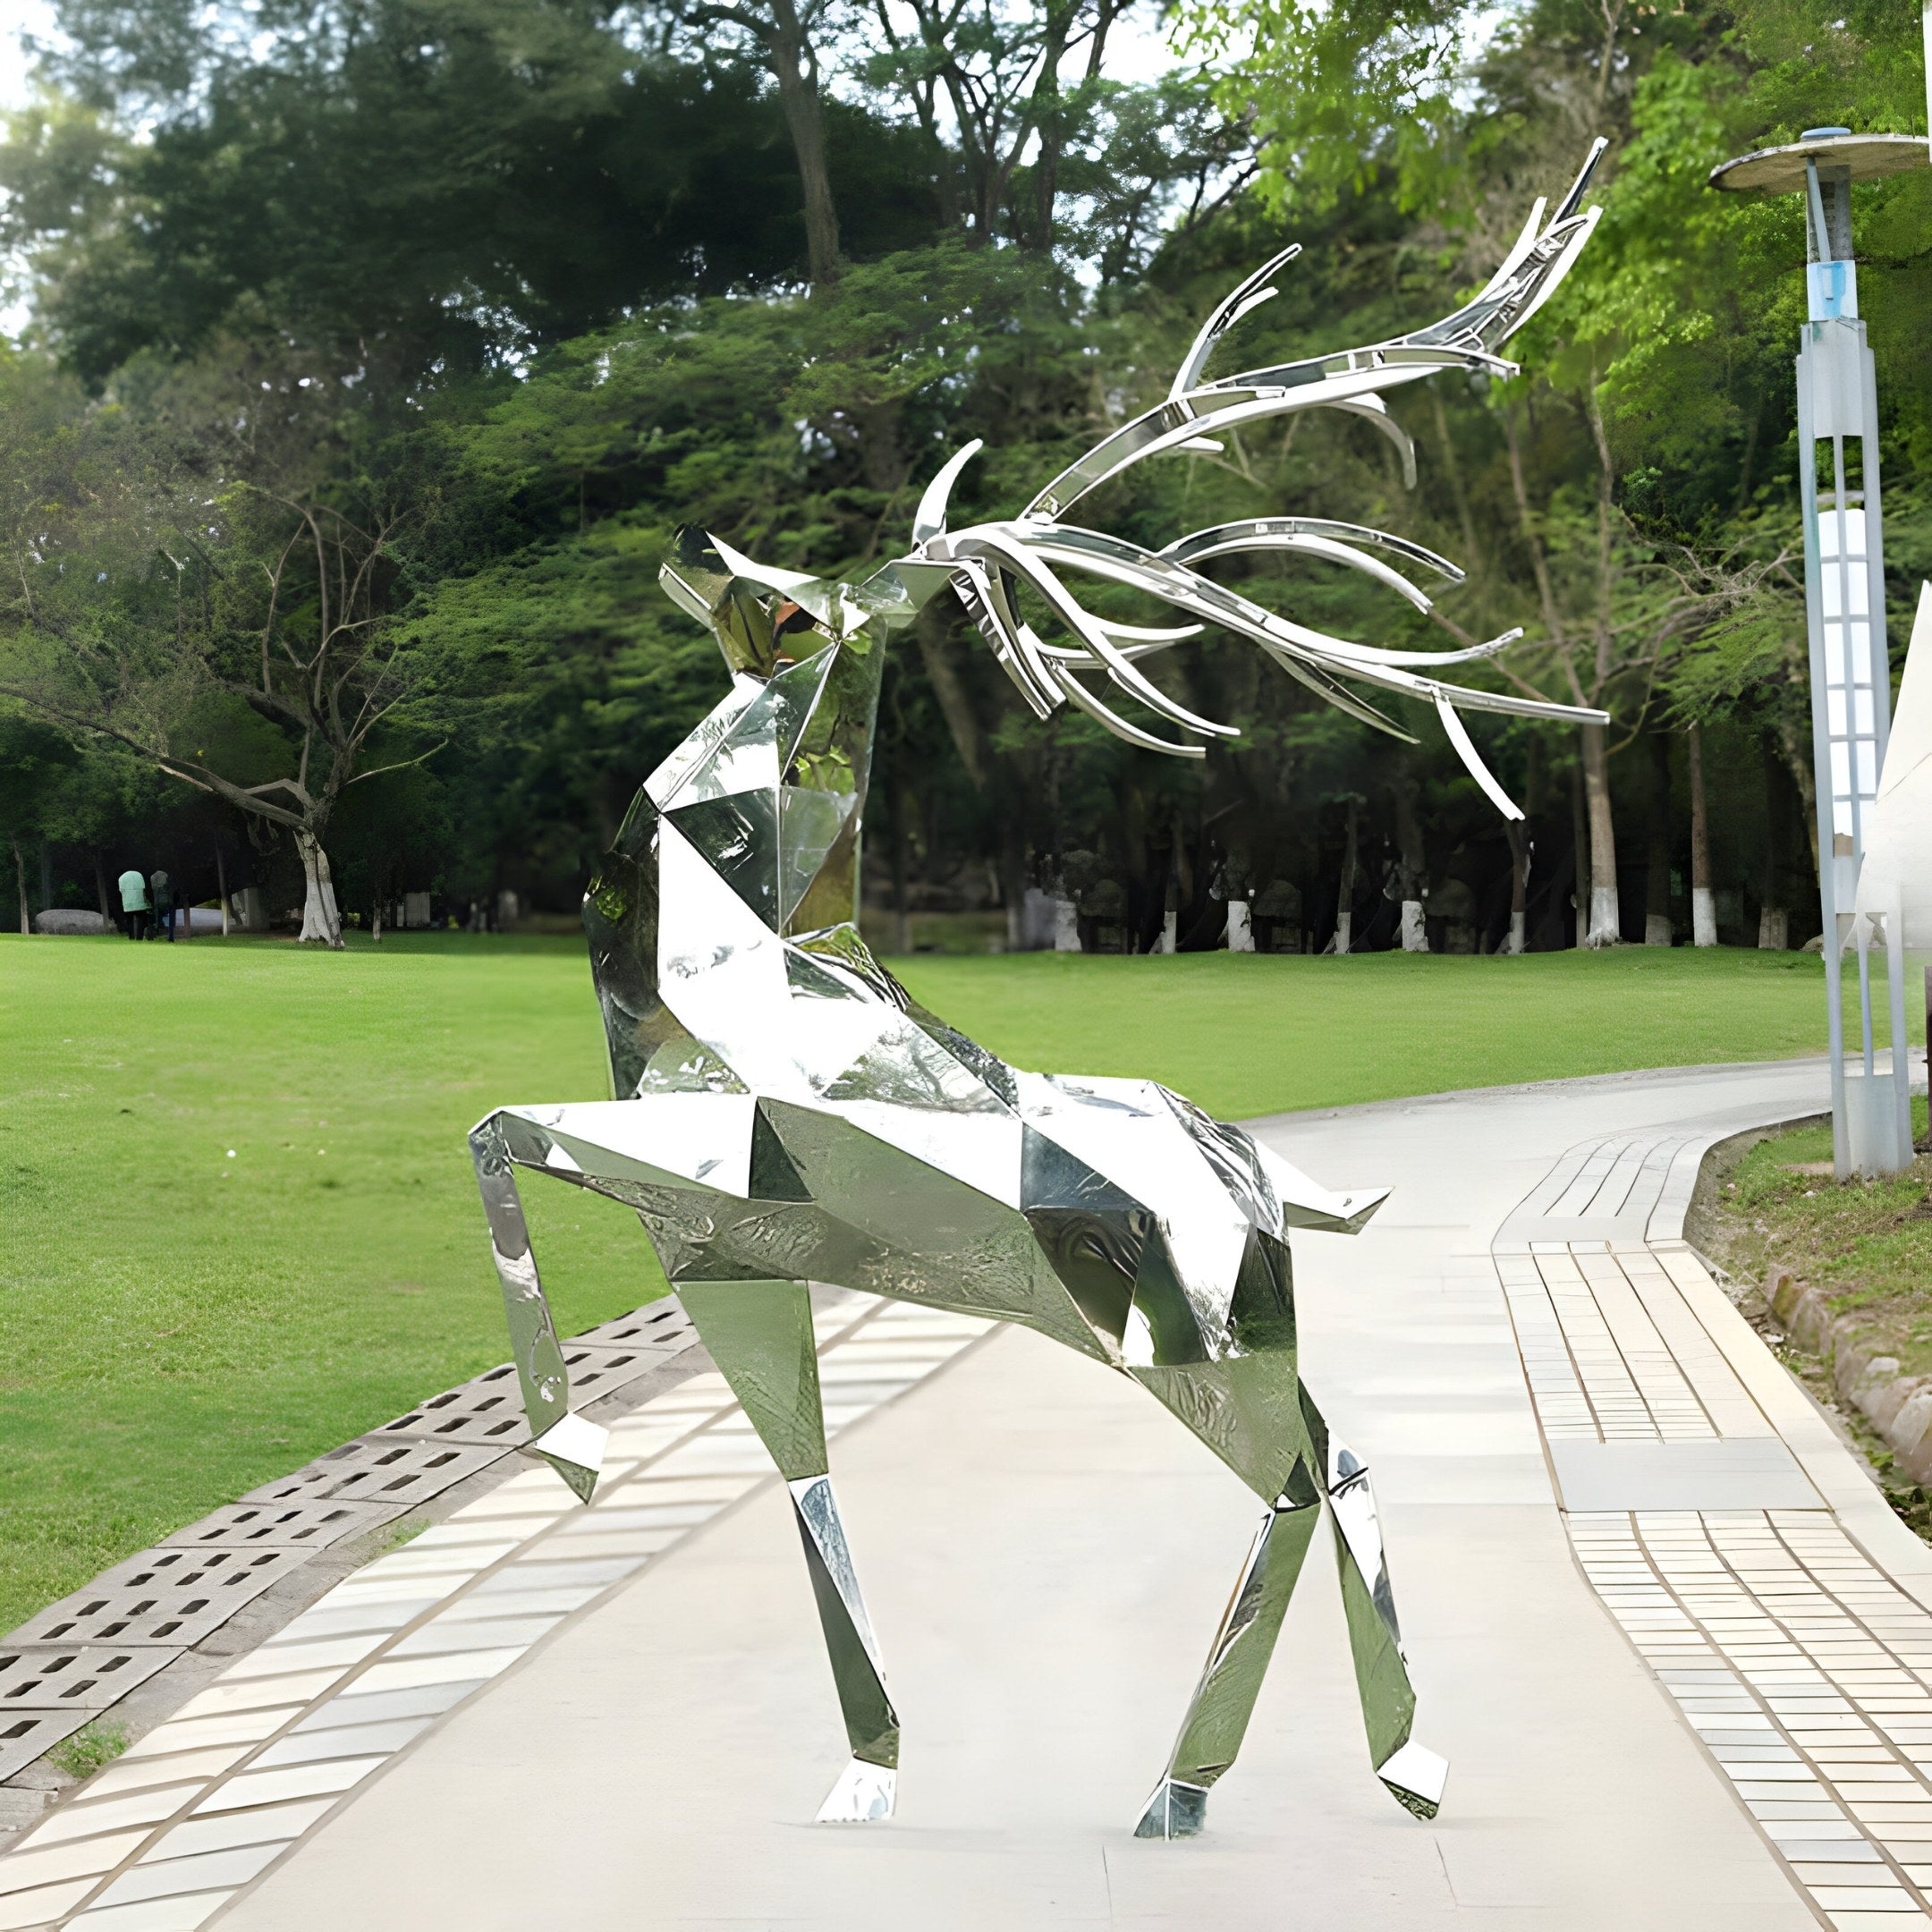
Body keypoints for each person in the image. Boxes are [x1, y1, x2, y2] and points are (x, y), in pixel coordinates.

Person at [116, 866, 148, 941]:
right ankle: (139, 937)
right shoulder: (139, 875)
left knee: (129, 921)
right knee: (141, 919)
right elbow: (143, 888)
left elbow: (121, 890)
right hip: (139, 902)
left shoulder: (122, 878)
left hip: (128, 903)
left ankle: (131, 937)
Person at [149, 868, 174, 941]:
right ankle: (170, 937)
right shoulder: (167, 884)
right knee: (171, 919)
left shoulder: (154, 884)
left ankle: (157, 927)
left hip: (157, 904)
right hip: (168, 903)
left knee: (156, 916)